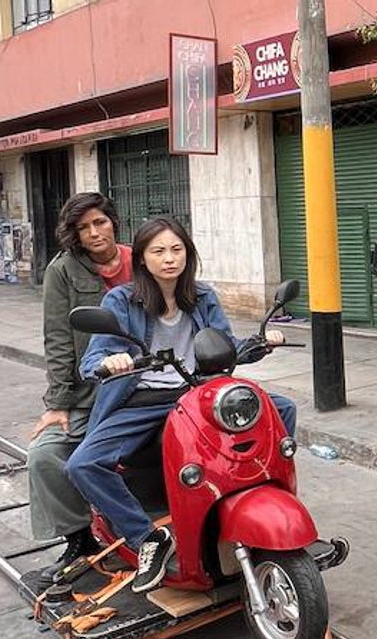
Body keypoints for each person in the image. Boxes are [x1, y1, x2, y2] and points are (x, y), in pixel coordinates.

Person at [66, 216, 298, 594]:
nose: (169, 258)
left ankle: (257, 498)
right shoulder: (121, 300)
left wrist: (261, 341)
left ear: (188, 255)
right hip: (142, 400)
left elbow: (223, 346)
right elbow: (93, 361)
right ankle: (147, 540)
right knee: (84, 464)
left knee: (280, 409)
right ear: (142, 259)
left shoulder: (201, 295)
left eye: (177, 250)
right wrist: (112, 362)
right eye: (158, 251)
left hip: (197, 393)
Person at [27, 193, 132, 587]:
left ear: (113, 221)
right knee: (44, 456)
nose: (94, 233)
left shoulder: (144, 259)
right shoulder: (63, 271)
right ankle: (80, 538)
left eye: (100, 222)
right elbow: (57, 339)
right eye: (83, 227)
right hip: (91, 391)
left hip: (151, 382)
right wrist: (58, 404)